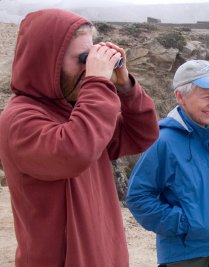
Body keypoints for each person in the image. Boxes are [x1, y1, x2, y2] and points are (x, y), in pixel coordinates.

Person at [0, 9, 159, 267]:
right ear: (47, 62)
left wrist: (125, 87)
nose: (88, 69)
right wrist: (97, 82)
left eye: (91, 57)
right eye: (82, 59)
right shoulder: (18, 120)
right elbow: (74, 151)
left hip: (104, 257)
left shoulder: (78, 110)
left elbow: (143, 133)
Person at [126, 59, 209, 266]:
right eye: (206, 96)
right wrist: (182, 223)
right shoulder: (163, 141)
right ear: (180, 96)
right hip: (185, 256)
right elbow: (138, 197)